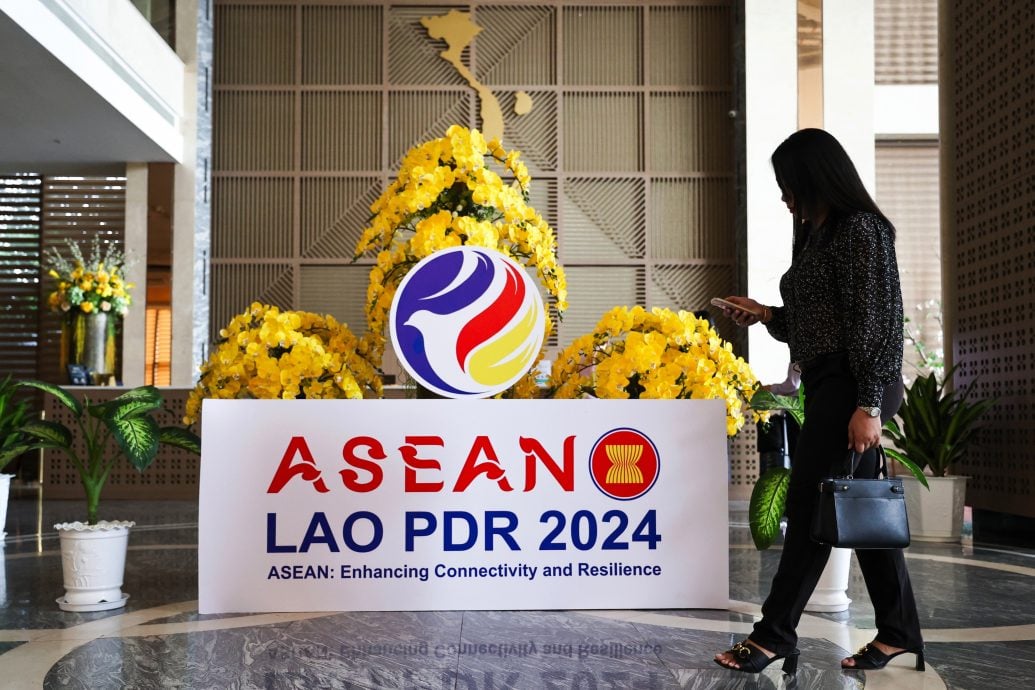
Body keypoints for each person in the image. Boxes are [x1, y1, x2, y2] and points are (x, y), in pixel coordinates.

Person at [712, 128, 924, 675]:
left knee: (809, 508)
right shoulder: (816, 234)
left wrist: (869, 405)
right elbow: (814, 325)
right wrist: (765, 314)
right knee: (857, 505)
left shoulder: (861, 230)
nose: (784, 196)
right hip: (831, 382)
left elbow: (876, 325)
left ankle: (773, 634)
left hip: (857, 384)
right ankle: (899, 633)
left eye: (789, 184)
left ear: (814, 178)